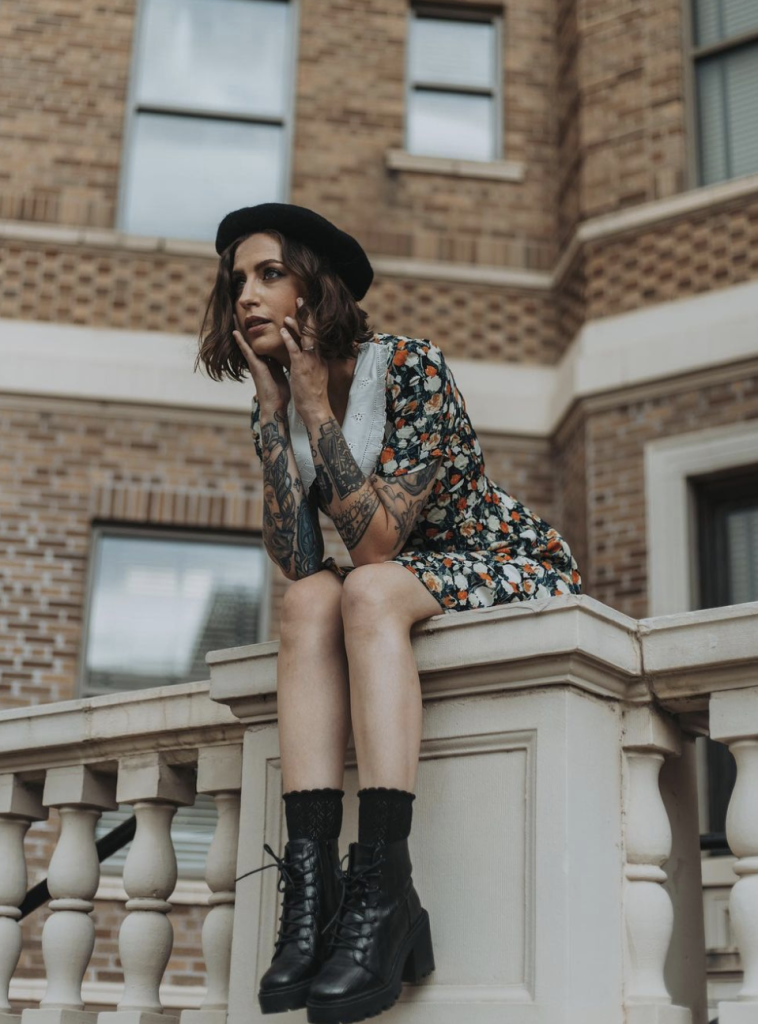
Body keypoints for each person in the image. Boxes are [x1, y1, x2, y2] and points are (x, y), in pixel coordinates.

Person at [196, 202, 582, 1023]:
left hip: (504, 561)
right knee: (309, 599)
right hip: (402, 575)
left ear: (316, 288)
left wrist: (313, 412)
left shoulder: (409, 367)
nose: (247, 298)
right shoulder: (283, 404)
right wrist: (274, 424)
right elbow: (301, 561)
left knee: (365, 586)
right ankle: (312, 893)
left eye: (270, 274)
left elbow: (373, 546)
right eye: (238, 283)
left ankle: (384, 887)